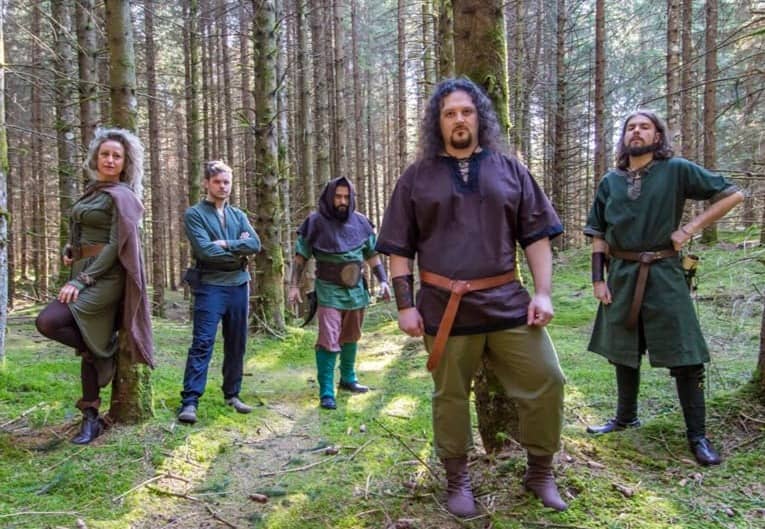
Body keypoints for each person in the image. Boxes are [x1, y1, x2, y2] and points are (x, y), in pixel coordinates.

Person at [376, 77, 568, 516]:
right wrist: (405, 306)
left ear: (479, 117)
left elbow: (537, 236)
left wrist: (543, 293)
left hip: (507, 303)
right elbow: (399, 250)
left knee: (547, 379)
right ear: (438, 122)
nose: (459, 120)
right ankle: (457, 480)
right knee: (450, 396)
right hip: (444, 308)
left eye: (466, 111)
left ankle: (540, 473)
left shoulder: (510, 170)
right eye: (449, 114)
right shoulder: (416, 178)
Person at [583, 109, 745, 466]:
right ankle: (625, 418)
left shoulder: (676, 170)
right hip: (621, 274)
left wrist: (690, 229)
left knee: (687, 355)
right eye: (630, 127)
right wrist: (597, 279)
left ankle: (698, 435)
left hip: (665, 272)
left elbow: (733, 195)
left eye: (645, 127)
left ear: (657, 136)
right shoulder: (610, 181)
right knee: (623, 350)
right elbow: (597, 233)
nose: (636, 131)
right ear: (624, 137)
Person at [35, 128, 154, 445]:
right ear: (96, 158)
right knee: (88, 343)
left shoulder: (123, 197)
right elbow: (83, 229)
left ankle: (105, 353)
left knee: (48, 321)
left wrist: (82, 279)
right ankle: (90, 416)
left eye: (117, 156)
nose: (110, 160)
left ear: (125, 162)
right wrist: (71, 250)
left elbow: (116, 245)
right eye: (105, 154)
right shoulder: (93, 191)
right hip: (83, 269)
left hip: (106, 277)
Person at [288, 177, 390, 410]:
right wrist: (293, 286)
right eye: (338, 197)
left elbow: (372, 255)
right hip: (328, 290)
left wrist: (383, 281)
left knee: (351, 334)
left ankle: (348, 379)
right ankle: (326, 390)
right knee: (328, 337)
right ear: (329, 197)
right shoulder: (314, 222)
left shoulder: (361, 222)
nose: (342, 201)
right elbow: (300, 258)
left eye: (346, 197)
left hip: (356, 290)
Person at [177, 160, 261, 424]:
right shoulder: (195, 214)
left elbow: (255, 244)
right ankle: (190, 401)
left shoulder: (238, 215)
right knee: (203, 342)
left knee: (237, 342)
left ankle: (232, 394)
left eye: (227, 182)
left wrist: (225, 243)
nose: (223, 187)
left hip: (239, 284)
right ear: (206, 183)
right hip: (210, 285)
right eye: (217, 182)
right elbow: (205, 251)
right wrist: (238, 249)